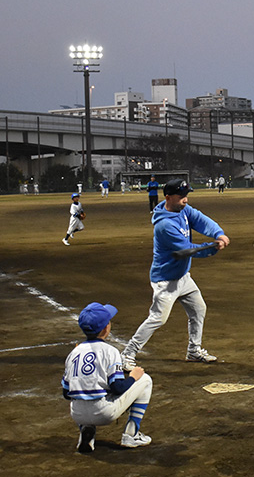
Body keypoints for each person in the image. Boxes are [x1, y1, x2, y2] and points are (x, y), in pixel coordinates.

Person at [122, 179, 229, 369]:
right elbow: (187, 249)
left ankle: (194, 351)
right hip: (165, 281)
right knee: (157, 319)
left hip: (183, 277)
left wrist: (218, 234)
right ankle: (128, 354)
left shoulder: (182, 209)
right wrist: (212, 248)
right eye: (181, 197)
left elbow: (200, 219)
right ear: (169, 198)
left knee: (198, 309)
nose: (186, 200)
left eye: (186, 196)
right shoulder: (164, 226)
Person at [62, 302, 153, 452]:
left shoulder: (73, 353)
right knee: (145, 379)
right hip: (103, 413)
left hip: (77, 414)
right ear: (106, 328)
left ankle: (86, 430)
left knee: (86, 390)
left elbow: (66, 394)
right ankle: (132, 434)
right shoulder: (110, 351)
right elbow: (118, 389)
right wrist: (133, 377)